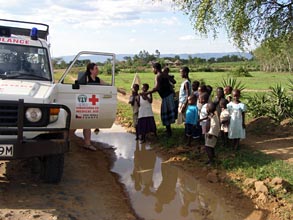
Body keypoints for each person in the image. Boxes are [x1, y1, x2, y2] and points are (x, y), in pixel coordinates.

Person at [82, 62, 126, 151]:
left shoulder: (98, 79)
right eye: (96, 68)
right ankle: (87, 143)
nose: (98, 70)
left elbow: (108, 86)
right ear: (91, 70)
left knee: (88, 122)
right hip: (86, 103)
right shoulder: (86, 79)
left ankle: (88, 142)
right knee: (86, 123)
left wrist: (120, 90)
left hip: (95, 103)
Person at [145, 63, 176, 137]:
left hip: (166, 97)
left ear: (155, 68)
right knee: (168, 114)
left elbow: (157, 88)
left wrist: (147, 92)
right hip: (170, 95)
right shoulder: (164, 74)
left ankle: (169, 133)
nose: (152, 70)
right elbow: (174, 81)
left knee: (165, 114)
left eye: (152, 68)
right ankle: (168, 130)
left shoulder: (158, 76)